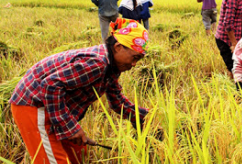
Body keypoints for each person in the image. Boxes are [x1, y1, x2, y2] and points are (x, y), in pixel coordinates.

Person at [9, 18, 149, 164]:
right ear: (119, 47)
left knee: (77, 153)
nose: (134, 64)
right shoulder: (97, 63)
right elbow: (50, 85)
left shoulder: (113, 66)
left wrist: (145, 117)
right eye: (135, 58)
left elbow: (117, 101)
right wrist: (70, 127)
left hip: (54, 104)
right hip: (33, 103)